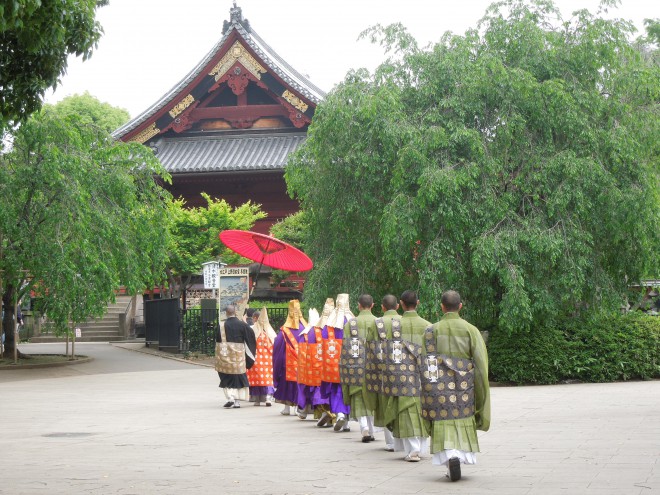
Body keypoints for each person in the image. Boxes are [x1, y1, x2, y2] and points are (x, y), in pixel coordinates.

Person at [421, 290, 490, 482]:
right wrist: (480, 387)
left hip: (438, 388)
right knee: (461, 418)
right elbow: (481, 364)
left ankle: (449, 455)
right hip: (464, 388)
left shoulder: (429, 331)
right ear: (460, 306)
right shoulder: (471, 330)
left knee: (443, 418)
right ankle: (458, 454)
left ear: (442, 307)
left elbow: (425, 363)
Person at [370, 290, 429, 462]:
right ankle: (419, 447)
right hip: (422, 376)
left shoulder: (394, 327)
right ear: (417, 303)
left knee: (405, 410)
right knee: (421, 410)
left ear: (401, 304)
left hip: (400, 378)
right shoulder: (428, 326)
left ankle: (413, 449)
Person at [364, 294, 399, 452]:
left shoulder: (376, 324)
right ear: (398, 306)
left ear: (382, 307)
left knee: (386, 404)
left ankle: (391, 442)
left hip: (383, 372)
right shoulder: (404, 322)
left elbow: (370, 349)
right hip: (404, 371)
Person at [341, 294, 377, 442]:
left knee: (359, 398)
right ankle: (372, 430)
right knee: (372, 398)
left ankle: (364, 428)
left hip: (356, 368)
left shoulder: (350, 324)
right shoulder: (378, 322)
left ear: (359, 306)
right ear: (372, 305)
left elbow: (345, 349)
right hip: (373, 368)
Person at [320, 293, 353, 432]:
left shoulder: (329, 325)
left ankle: (339, 414)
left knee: (335, 389)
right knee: (348, 390)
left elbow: (322, 340)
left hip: (332, 363)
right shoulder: (352, 321)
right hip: (350, 363)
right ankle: (346, 421)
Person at [215, 304, 257, 409]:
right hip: (239, 357)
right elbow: (251, 338)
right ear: (235, 313)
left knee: (225, 375)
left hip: (225, 355)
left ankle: (230, 398)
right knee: (238, 377)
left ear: (226, 313)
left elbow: (217, 339)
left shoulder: (221, 325)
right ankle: (237, 401)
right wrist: (250, 355)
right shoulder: (242, 325)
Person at [272, 299, 307, 415]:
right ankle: (300, 407)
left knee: (287, 385)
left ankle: (287, 408)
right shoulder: (306, 328)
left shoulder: (285, 330)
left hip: (288, 362)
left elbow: (277, 346)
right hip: (303, 361)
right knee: (301, 384)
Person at [246, 309, 277, 407]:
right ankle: (268, 397)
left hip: (256, 360)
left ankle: (257, 399)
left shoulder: (253, 331)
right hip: (268, 360)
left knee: (258, 379)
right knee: (268, 379)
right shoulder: (270, 332)